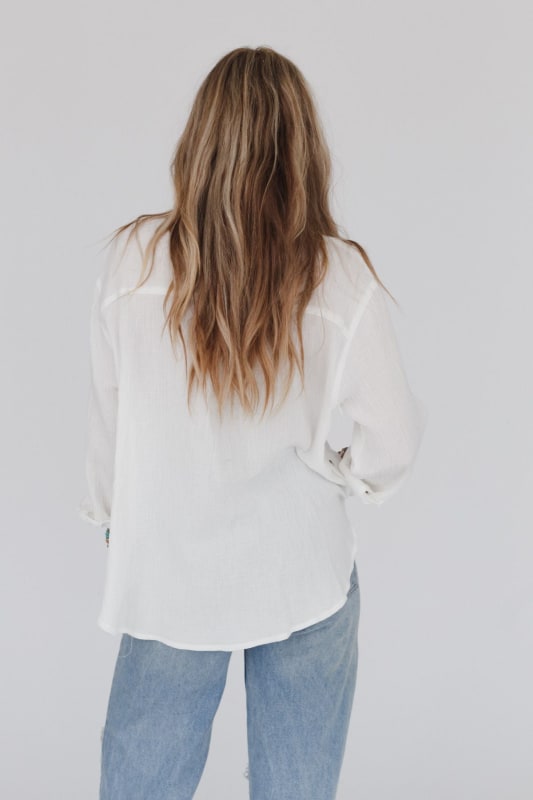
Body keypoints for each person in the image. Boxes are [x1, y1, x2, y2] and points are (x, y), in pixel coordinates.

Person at [78, 46, 427, 800]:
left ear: (198, 139)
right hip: (301, 566)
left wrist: (114, 523)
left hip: (166, 570)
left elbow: (112, 423)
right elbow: (392, 442)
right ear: (302, 149)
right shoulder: (339, 275)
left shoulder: (132, 261)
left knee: (139, 787)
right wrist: (341, 477)